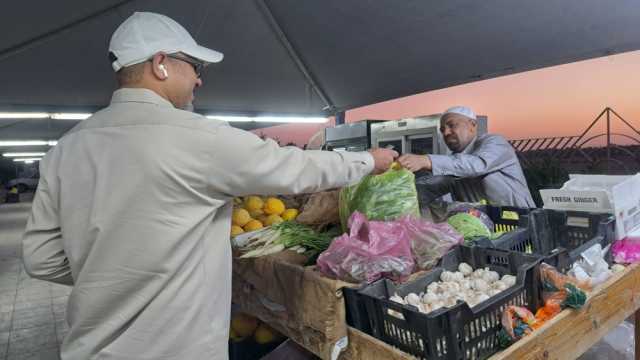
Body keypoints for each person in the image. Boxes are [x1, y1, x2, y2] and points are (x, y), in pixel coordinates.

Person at [21, 12, 397, 360]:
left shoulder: (66, 148)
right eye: (195, 66)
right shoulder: (195, 137)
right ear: (160, 63)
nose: (199, 78)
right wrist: (368, 162)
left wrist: (110, 274)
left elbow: (40, 258)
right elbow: (293, 168)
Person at [398, 106, 534, 208]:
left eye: (452, 125)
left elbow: (477, 165)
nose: (446, 132)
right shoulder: (454, 161)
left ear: (472, 126)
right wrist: (398, 193)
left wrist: (426, 160)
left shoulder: (495, 142)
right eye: (442, 129)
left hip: (521, 226)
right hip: (486, 230)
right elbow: (436, 186)